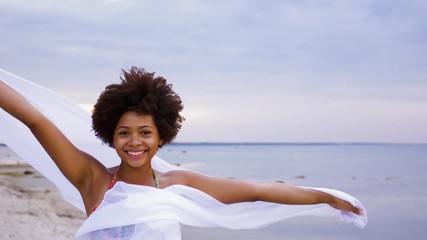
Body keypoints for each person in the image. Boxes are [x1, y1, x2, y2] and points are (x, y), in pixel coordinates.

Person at [0, 67, 366, 239]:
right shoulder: (93, 180)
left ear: (161, 136)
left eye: (145, 133)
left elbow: (257, 189)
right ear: (110, 136)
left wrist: (326, 197)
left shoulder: (178, 185)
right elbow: (35, 120)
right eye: (123, 133)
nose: (134, 142)